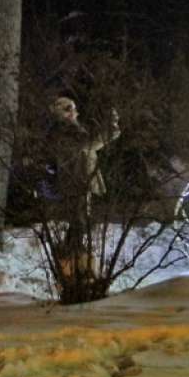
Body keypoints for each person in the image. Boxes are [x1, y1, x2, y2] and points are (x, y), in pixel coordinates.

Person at [42, 96, 120, 285]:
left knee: (80, 223)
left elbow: (89, 144)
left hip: (80, 180)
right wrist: (111, 127)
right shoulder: (63, 130)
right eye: (68, 108)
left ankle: (77, 266)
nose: (74, 112)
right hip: (76, 181)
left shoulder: (69, 129)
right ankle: (76, 268)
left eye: (73, 108)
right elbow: (89, 144)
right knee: (79, 223)